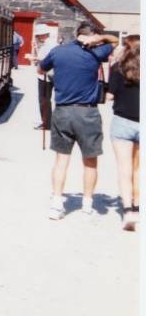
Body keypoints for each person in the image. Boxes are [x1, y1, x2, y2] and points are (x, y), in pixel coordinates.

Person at [39, 22, 118, 220]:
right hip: (87, 113)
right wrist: (99, 40)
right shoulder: (97, 53)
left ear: (76, 34)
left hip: (63, 111)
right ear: (93, 35)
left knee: (61, 160)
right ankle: (87, 204)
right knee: (90, 161)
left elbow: (41, 70)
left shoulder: (59, 51)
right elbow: (115, 40)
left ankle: (57, 204)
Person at [107, 34, 140, 230]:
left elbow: (110, 96)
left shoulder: (118, 68)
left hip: (122, 122)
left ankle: (128, 211)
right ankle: (138, 207)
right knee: (139, 170)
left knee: (124, 168)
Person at [25, 24, 57, 130]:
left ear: (43, 35)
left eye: (38, 35)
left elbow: (43, 60)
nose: (37, 37)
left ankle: (46, 123)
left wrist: (32, 58)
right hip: (52, 74)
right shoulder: (53, 43)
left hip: (45, 75)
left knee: (44, 100)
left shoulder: (48, 45)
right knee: (46, 99)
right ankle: (48, 122)